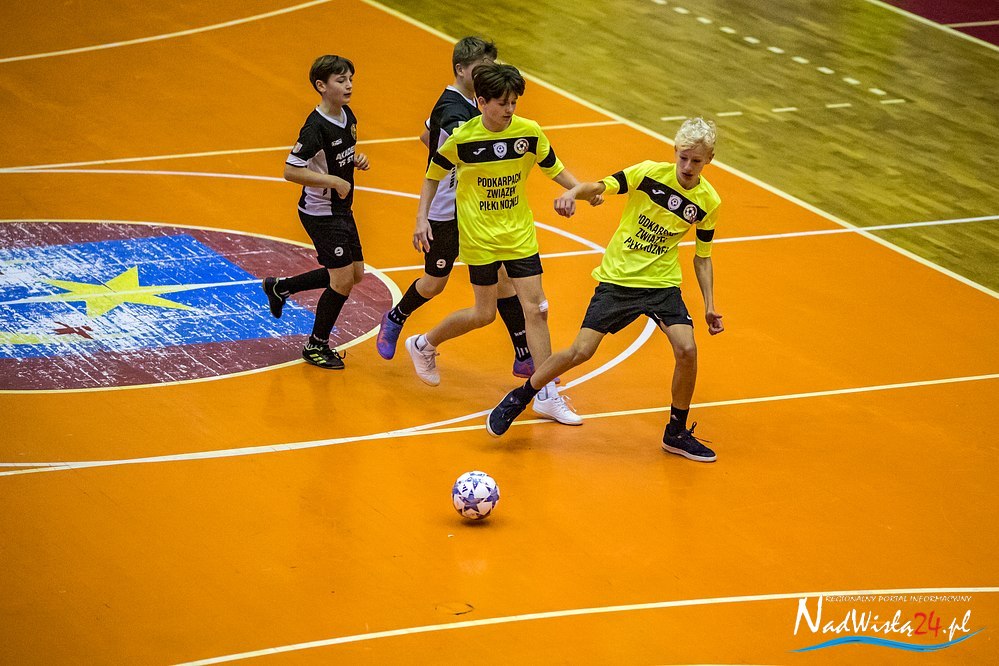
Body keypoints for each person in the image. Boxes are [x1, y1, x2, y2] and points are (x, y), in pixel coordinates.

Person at [485, 117, 725, 462]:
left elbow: (703, 257)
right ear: (674, 151)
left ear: (709, 159)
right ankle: (522, 396)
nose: (687, 166)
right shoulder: (648, 174)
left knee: (687, 349)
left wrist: (709, 305)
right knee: (580, 351)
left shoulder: (708, 201)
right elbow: (599, 186)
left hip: (661, 284)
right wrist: (572, 192)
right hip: (618, 280)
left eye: (696, 160)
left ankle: (675, 432)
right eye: (683, 157)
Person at [404, 63, 599, 425]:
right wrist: (421, 219)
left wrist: (580, 191)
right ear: (481, 102)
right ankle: (423, 343)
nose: (510, 109)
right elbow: (432, 177)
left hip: (519, 235)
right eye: (502, 103)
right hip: (479, 238)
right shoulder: (463, 139)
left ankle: (546, 394)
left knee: (537, 309)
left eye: (513, 102)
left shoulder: (529, 132)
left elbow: (554, 167)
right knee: (484, 314)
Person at [375, 38, 535, 379]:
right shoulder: (453, 111)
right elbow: (452, 147)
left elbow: (426, 135)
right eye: (482, 69)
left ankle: (524, 355)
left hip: (475, 210)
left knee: (503, 278)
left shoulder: (473, 101)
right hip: (446, 211)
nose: (488, 75)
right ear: (461, 70)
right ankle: (396, 317)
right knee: (435, 283)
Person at [261, 55, 370, 370]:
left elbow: (335, 157)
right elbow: (291, 170)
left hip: (341, 209)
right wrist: (333, 180)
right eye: (341, 80)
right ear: (321, 86)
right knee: (342, 280)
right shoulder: (315, 128)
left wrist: (355, 160)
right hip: (321, 212)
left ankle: (282, 287)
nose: (348, 85)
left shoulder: (348, 116)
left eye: (350, 79)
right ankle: (316, 345)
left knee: (355, 274)